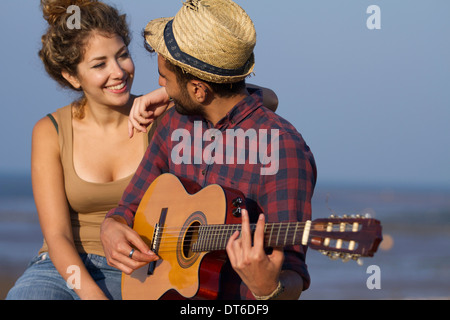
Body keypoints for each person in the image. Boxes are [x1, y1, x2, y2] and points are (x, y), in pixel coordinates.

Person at [6, 0, 278, 301]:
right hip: (62, 271)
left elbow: (267, 100)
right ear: (71, 76)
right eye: (100, 64)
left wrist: (170, 93)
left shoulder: (164, 117)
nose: (118, 71)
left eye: (122, 56)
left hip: (140, 271)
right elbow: (57, 238)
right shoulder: (50, 131)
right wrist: (93, 297)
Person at [101, 0, 317, 300]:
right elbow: (129, 207)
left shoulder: (282, 149)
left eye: (165, 77)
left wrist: (269, 289)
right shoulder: (174, 124)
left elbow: (293, 275)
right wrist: (112, 226)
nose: (159, 84)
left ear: (199, 90)